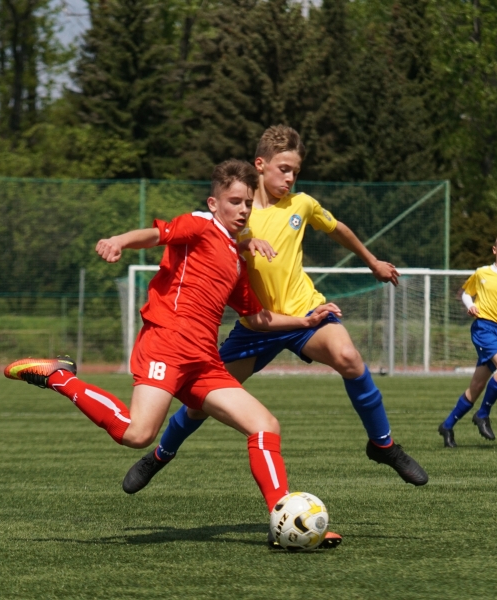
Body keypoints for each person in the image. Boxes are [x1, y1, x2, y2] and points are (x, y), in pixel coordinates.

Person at [3, 159, 342, 547]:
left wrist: (306, 321)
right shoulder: (199, 224)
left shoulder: (235, 257)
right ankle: (59, 376)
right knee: (137, 435)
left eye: (248, 203)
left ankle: (282, 518)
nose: (243, 210)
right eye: (235, 201)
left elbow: (256, 317)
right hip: (167, 342)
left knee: (265, 425)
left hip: (204, 360)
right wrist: (119, 241)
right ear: (214, 203)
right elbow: (155, 235)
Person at [122, 125, 428, 494]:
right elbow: (208, 238)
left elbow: (338, 229)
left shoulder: (303, 204)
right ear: (260, 165)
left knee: (348, 356)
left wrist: (372, 261)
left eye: (296, 171)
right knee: (200, 405)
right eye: (283, 168)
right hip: (257, 324)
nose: (290, 177)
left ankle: (383, 445)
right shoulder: (238, 209)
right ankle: (160, 454)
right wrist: (247, 238)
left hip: (305, 313)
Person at [437, 231, 497, 448]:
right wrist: (470, 305)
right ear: (495, 250)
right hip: (483, 328)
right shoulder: (482, 273)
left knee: (477, 386)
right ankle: (483, 414)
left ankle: (448, 425)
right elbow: (465, 292)